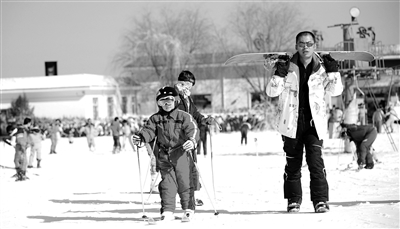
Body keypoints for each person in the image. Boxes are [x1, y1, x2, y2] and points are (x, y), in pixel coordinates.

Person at [266, 31, 343, 213]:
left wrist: (333, 72)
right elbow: (271, 92)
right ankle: (293, 200)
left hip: (314, 124)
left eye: (309, 44)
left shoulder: (322, 69)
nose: (305, 47)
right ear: (296, 46)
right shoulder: (287, 67)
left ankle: (320, 201)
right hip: (291, 123)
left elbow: (335, 91)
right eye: (302, 44)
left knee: (315, 163)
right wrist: (279, 74)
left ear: (314, 46)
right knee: (293, 164)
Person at [131, 86, 199, 222]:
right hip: (164, 155)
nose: (166, 104)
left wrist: (192, 140)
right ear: (158, 103)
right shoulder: (155, 119)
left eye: (169, 100)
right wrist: (141, 137)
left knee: (184, 181)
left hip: (181, 154)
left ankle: (188, 209)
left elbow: (193, 129)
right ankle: (168, 210)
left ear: (176, 101)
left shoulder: (183, 116)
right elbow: (148, 131)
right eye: (162, 101)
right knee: (167, 183)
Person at [174, 70, 216, 207]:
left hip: (189, 137)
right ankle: (181, 197)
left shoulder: (187, 98)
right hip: (178, 138)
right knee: (181, 169)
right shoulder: (174, 96)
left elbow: (195, 114)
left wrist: (205, 120)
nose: (190, 87)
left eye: (191, 85)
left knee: (191, 168)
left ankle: (191, 195)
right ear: (182, 82)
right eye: (188, 84)